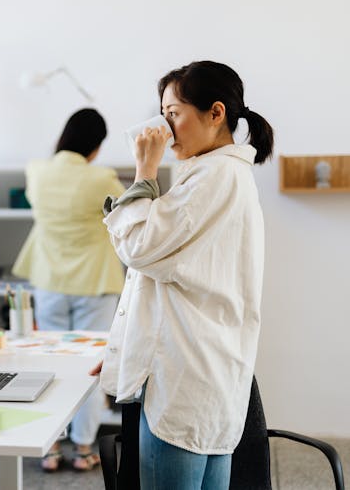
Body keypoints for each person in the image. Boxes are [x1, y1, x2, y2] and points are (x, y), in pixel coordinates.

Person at [93, 60, 273, 489]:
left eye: (173, 113)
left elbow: (139, 248)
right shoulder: (222, 174)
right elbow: (168, 272)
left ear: (216, 113)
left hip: (185, 380)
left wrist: (144, 172)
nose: (165, 127)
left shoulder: (214, 176)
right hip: (204, 375)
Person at [12, 108, 126, 472]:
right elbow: (129, 209)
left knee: (52, 364)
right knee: (89, 367)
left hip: (49, 280)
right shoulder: (101, 179)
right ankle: (83, 449)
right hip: (94, 280)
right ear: (95, 145)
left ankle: (51, 448)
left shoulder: (37, 172)